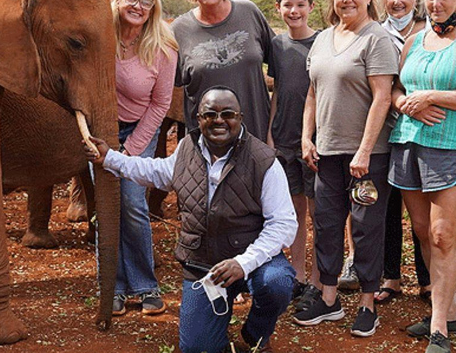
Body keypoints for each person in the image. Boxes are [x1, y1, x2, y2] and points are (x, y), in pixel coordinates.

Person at [86, 86, 297, 353]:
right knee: (198, 348)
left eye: (228, 114)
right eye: (210, 114)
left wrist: (242, 263)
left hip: (252, 261)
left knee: (276, 282)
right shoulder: (186, 150)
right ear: (198, 119)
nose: (219, 120)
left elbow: (283, 225)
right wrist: (110, 158)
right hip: (204, 266)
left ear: (240, 117)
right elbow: (154, 171)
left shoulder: (264, 161)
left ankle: (255, 334)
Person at [294, 0, 399, 337]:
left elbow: (383, 96)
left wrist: (365, 151)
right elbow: (312, 92)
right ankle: (328, 298)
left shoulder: (376, 39)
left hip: (365, 157)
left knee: (367, 227)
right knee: (325, 223)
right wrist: (307, 137)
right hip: (326, 152)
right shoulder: (322, 39)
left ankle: (368, 304)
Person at [389, 0, 456, 353]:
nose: (436, 3)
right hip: (408, 143)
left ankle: (439, 329)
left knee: (443, 235)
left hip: (450, 146)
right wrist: (406, 103)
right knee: (421, 230)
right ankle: (448, 310)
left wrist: (432, 97)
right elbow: (397, 89)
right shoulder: (416, 40)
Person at [110, 0, 178, 316]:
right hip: (101, 131)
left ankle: (145, 285)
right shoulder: (100, 39)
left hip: (141, 129)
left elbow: (160, 105)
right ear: (117, 0)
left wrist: (131, 150)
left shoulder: (163, 48)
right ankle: (113, 287)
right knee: (107, 205)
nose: (138, 7)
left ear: (154, 10)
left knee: (133, 203)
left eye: (146, 3)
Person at [338, 0, 403, 291]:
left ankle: (402, 275)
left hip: (403, 122)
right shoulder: (355, 8)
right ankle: (360, 264)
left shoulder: (403, 9)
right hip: (361, 126)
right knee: (362, 197)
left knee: (397, 204)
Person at [374, 0, 432, 304]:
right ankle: (391, 277)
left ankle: (427, 280)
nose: (397, 2)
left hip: (424, 130)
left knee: (422, 212)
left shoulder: (430, 32)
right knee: (389, 207)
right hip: (386, 129)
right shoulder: (377, 33)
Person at [172, 0, 274, 141]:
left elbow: (279, 64)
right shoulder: (179, 29)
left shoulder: (248, 12)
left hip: (256, 136)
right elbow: (166, 86)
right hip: (206, 144)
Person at [266, 0, 321, 311]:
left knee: (321, 211)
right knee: (294, 210)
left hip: (314, 139)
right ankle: (298, 273)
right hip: (284, 137)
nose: (294, 10)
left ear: (311, 7)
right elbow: (278, 89)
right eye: (288, 4)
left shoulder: (323, 42)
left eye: (300, 4)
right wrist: (271, 132)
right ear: (278, 8)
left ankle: (319, 278)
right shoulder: (277, 45)